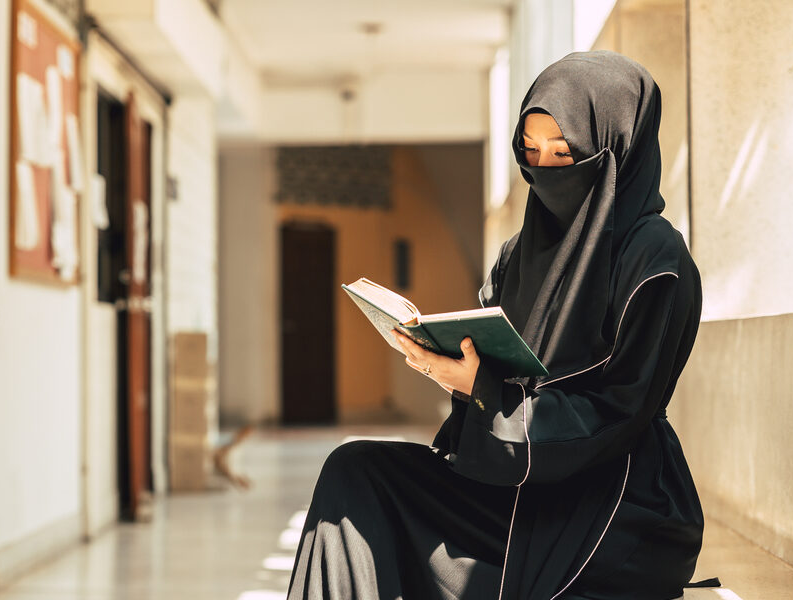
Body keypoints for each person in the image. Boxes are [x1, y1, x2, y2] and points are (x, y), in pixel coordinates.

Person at [287, 50, 711, 600]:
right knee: (356, 471)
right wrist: (455, 376)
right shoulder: (519, 254)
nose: (545, 171)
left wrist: (482, 390)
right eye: (530, 151)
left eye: (566, 153)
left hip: (612, 503)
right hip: (518, 479)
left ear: (619, 150)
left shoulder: (655, 261)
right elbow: (501, 377)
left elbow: (617, 414)